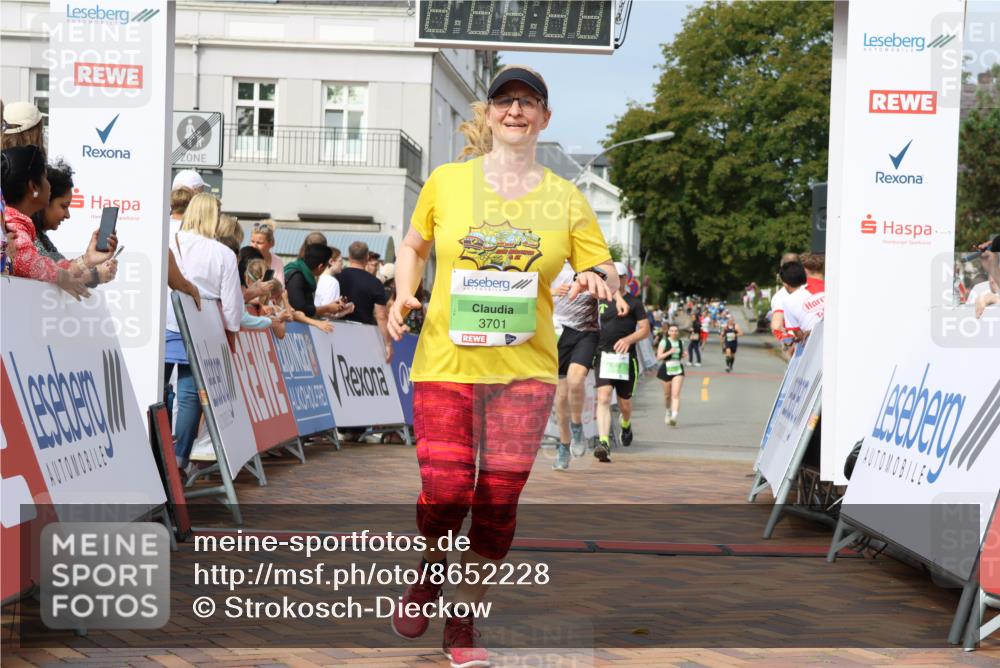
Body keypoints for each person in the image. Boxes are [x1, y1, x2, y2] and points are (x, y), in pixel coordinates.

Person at [386, 65, 617, 666]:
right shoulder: (447, 181)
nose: (515, 110)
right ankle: (430, 567)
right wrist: (404, 294)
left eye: (528, 102)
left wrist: (595, 277)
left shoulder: (566, 199)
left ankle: (462, 621)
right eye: (504, 101)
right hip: (445, 363)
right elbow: (413, 246)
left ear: (545, 117)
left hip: (524, 374)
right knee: (444, 491)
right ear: (489, 115)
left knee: (496, 504)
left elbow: (604, 269)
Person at [165, 193, 243, 470]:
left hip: (164, 321)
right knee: (190, 395)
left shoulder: (168, 240)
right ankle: (179, 459)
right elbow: (233, 306)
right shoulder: (223, 253)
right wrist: (231, 337)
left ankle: (156, 451)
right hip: (201, 325)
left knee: (158, 389)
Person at [2, 145, 115, 299]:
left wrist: (87, 260)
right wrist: (64, 277)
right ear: (34, 186)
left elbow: (47, 266)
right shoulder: (12, 226)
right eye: (44, 177)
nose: (48, 184)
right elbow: (31, 264)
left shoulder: (18, 224)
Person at [593, 262, 649, 462]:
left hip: (626, 359)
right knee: (604, 397)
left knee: (624, 403)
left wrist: (628, 340)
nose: (616, 279)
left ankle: (626, 424)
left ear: (626, 278)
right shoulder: (600, 299)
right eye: (611, 276)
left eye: (620, 276)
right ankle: (603, 442)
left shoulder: (634, 302)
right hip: (603, 356)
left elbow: (645, 329)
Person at [30, 160, 117, 286]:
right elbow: (52, 276)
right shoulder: (22, 234)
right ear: (44, 200)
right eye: (63, 206)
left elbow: (62, 269)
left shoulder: (42, 238)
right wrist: (95, 274)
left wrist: (90, 260)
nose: (67, 215)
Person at [551, 263, 603, 469]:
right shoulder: (554, 261)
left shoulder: (594, 263)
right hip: (558, 331)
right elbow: (530, 288)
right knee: (561, 397)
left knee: (576, 380)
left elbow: (613, 287)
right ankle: (564, 445)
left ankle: (577, 426)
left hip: (587, 331)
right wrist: (553, 291)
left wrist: (613, 297)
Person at [338, 240, 392, 361]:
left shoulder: (337, 277)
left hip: (336, 332)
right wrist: (388, 344)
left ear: (349, 256)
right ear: (367, 257)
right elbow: (381, 316)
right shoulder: (375, 283)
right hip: (364, 336)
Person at [284, 242, 352, 322]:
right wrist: (328, 308)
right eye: (325, 266)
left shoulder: (303, 273)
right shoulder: (297, 276)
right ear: (320, 267)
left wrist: (330, 306)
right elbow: (301, 309)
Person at [656, 324, 686, 426]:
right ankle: (668, 412)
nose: (674, 332)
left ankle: (674, 417)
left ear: (678, 332)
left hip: (677, 369)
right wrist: (669, 352)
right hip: (666, 369)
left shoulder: (681, 342)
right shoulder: (664, 342)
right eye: (672, 331)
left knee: (676, 394)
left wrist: (683, 355)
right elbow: (659, 357)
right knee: (667, 396)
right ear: (668, 332)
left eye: (676, 331)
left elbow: (681, 354)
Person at [248, 220, 285, 286]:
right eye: (252, 241)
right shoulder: (244, 260)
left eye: (259, 243)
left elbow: (281, 288)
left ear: (270, 243)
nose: (254, 246)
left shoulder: (278, 261)